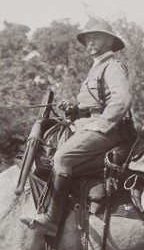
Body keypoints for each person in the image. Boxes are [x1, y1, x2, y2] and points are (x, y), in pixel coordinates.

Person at [21, 17, 133, 236]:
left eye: (95, 38)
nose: (90, 43)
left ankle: (52, 219)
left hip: (108, 131)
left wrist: (101, 125)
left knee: (62, 158)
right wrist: (73, 109)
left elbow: (121, 100)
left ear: (109, 42)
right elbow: (92, 104)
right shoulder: (96, 69)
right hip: (88, 124)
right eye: (88, 39)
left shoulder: (113, 67)